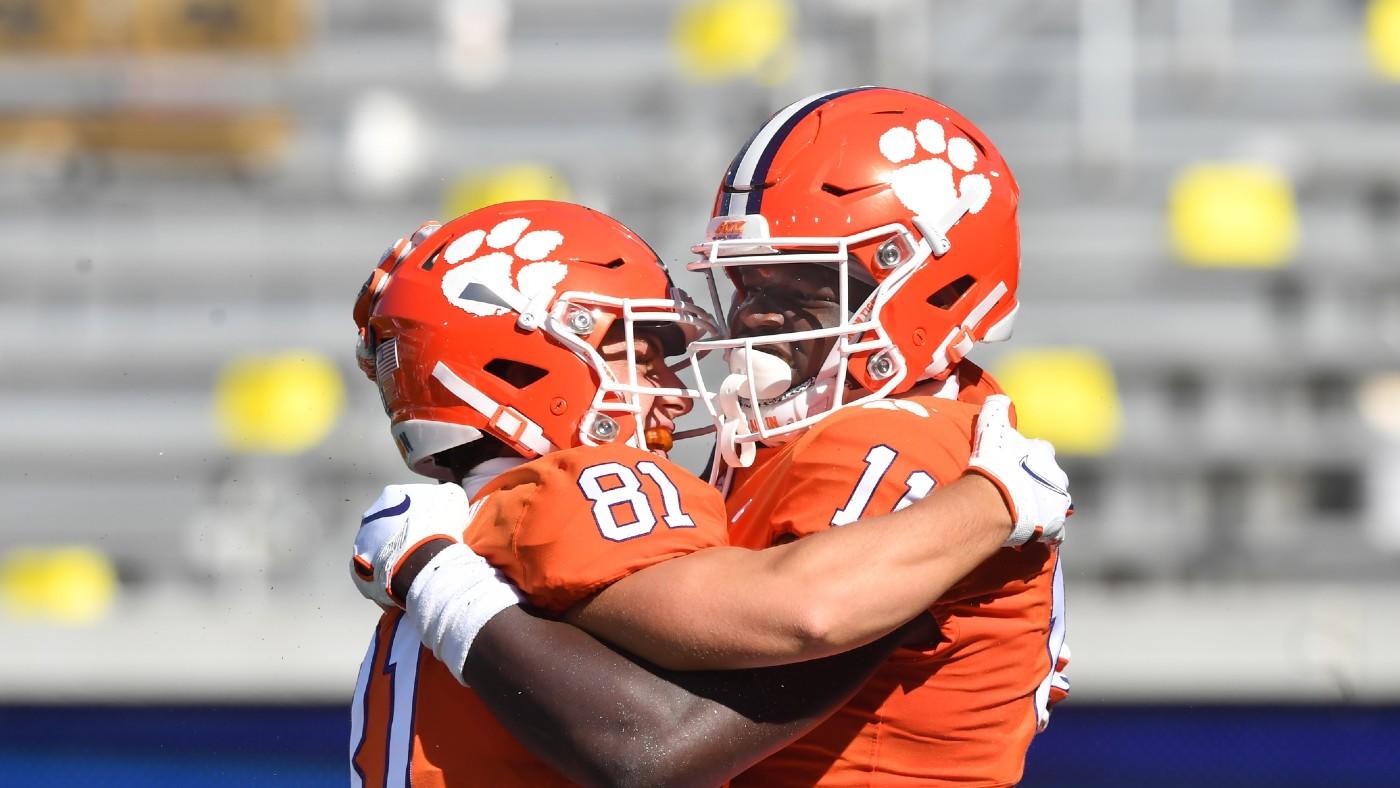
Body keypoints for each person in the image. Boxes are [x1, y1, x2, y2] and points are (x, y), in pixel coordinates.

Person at [348, 199, 1070, 786]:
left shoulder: (493, 507)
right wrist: (993, 499)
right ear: (521, 363)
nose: (669, 388)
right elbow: (658, 743)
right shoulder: (571, 488)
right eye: (637, 348)